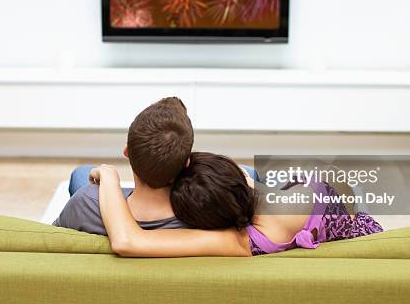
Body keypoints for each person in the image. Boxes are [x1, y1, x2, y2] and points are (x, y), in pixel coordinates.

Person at [95, 152, 384, 257]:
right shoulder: (245, 181)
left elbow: (126, 240)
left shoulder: (238, 240)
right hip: (329, 197)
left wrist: (109, 177)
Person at [52, 97, 193, 234]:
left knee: (82, 173)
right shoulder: (197, 218)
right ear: (187, 162)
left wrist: (108, 181)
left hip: (94, 206)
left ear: (127, 152)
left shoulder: (85, 202)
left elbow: (52, 237)